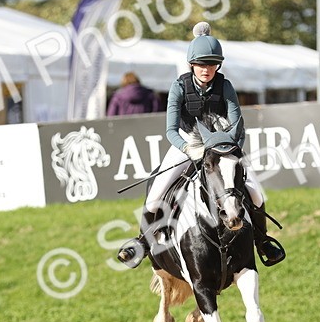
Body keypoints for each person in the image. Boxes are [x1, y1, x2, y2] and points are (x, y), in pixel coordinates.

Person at [117, 22, 285, 269]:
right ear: (192, 65)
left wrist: (231, 149)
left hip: (222, 149)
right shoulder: (179, 87)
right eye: (201, 64)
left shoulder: (225, 86)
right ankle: (142, 242)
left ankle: (261, 241)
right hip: (187, 145)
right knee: (154, 198)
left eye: (212, 64)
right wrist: (189, 150)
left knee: (256, 195)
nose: (207, 70)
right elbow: (171, 131)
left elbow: (238, 126)